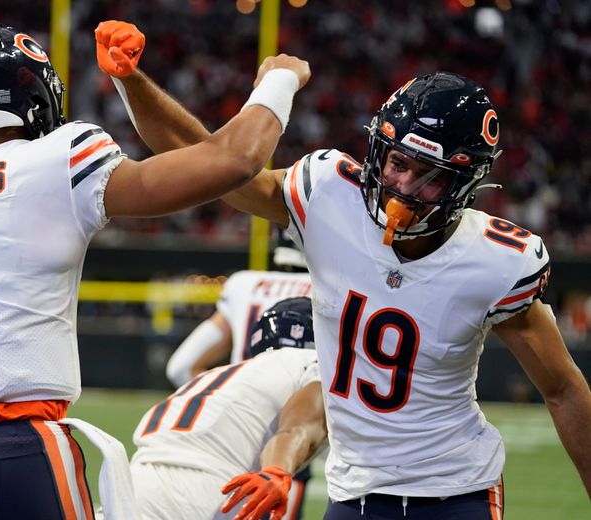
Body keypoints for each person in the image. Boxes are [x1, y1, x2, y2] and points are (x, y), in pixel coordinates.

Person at [96, 20, 591, 519]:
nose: (402, 185)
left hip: (454, 492)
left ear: (465, 183)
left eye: (429, 177)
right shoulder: (330, 195)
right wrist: (131, 82)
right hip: (353, 494)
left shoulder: (496, 261)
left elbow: (563, 388)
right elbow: (208, 161)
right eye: (397, 161)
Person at [0, 22, 310, 520]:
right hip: (25, 450)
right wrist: (279, 80)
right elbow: (233, 162)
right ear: (31, 90)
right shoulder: (60, 158)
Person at [130, 297, 327, 520]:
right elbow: (297, 427)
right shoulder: (313, 363)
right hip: (209, 490)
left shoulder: (215, 375)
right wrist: (276, 470)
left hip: (133, 483)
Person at [165, 230, 311, 387]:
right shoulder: (329, 289)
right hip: (300, 405)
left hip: (243, 402)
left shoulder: (243, 283)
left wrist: (223, 398)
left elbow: (180, 368)